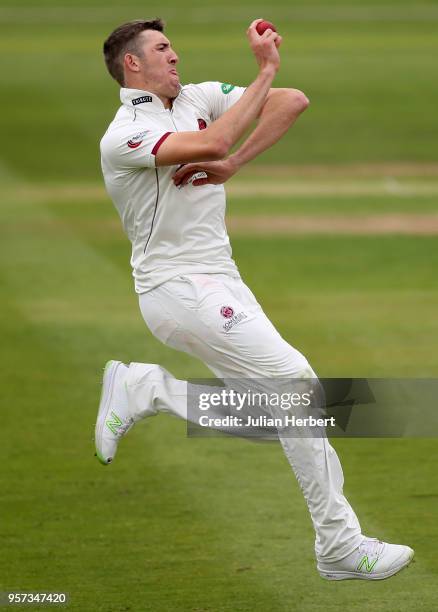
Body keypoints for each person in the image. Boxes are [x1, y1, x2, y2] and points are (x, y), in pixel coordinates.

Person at [95, 17, 414, 580]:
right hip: (177, 287)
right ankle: (339, 544)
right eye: (163, 50)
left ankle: (150, 389)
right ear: (132, 65)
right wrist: (263, 69)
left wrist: (238, 162)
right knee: (297, 384)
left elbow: (291, 101)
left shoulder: (196, 96)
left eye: (174, 48)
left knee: (286, 417)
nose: (176, 57)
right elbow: (214, 140)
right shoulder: (124, 135)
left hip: (221, 278)